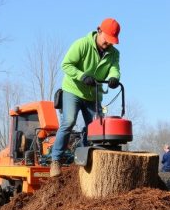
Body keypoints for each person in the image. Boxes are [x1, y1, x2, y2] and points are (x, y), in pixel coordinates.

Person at [50, 18, 121, 177]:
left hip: (93, 93)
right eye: (106, 39)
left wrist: (114, 78)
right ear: (99, 30)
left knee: (96, 127)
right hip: (73, 90)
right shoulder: (82, 44)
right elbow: (66, 64)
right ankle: (55, 160)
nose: (108, 43)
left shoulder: (114, 53)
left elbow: (115, 69)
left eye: (111, 41)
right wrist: (81, 76)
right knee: (68, 122)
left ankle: (82, 156)